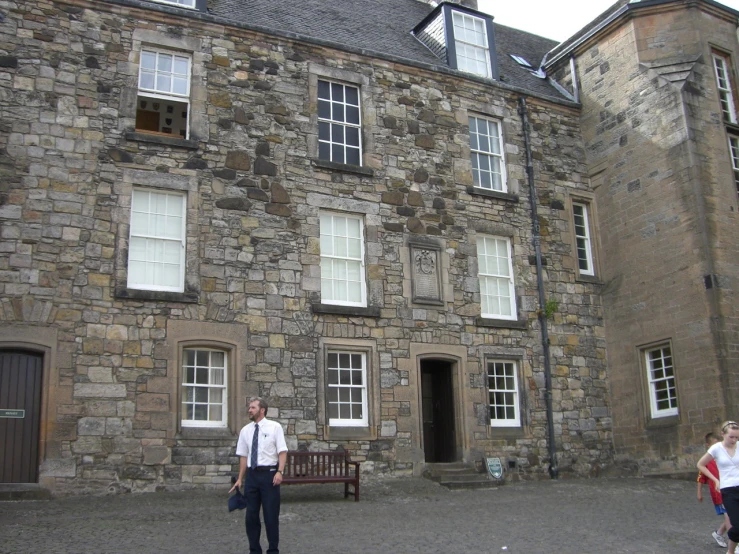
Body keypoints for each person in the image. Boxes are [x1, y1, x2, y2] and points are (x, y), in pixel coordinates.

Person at [230, 397, 288, 554]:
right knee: (251, 517)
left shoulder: (275, 427)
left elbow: (282, 451)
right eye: (249, 407)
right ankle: (254, 550)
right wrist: (240, 479)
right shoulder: (245, 431)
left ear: (262, 410)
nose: (249, 410)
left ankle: (273, 550)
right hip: (252, 478)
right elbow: (243, 456)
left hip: (270, 476)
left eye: (253, 407)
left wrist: (280, 471)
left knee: (270, 517)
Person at [698, 421, 739, 554]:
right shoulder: (716, 448)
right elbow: (701, 464)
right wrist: (715, 480)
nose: (734, 440)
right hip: (728, 490)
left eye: (736, 437)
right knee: (736, 526)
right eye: (731, 437)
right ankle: (731, 551)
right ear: (723, 434)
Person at [698, 432, 731, 548]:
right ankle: (734, 540)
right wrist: (699, 493)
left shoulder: (724, 456)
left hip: (729, 489)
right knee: (729, 516)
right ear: (708, 445)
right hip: (718, 493)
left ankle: (719, 533)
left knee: (733, 515)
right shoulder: (707, 460)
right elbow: (701, 478)